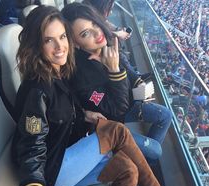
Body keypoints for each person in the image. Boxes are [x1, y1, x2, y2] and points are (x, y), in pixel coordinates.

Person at [12, 5, 183, 186]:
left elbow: (59, 114)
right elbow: (31, 142)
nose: (60, 46)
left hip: (63, 154)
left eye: (62, 37)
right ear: (36, 45)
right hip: (49, 173)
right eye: (48, 40)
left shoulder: (58, 72)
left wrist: (84, 116)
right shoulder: (36, 89)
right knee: (116, 132)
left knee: (128, 169)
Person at [61, 2, 173, 163]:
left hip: (125, 100)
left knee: (165, 115)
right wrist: (114, 70)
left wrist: (137, 82)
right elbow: (116, 111)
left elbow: (126, 66)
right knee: (155, 151)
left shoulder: (104, 44)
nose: (96, 32)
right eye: (85, 33)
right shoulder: (80, 75)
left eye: (94, 23)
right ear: (76, 44)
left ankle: (140, 163)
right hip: (106, 122)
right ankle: (139, 164)